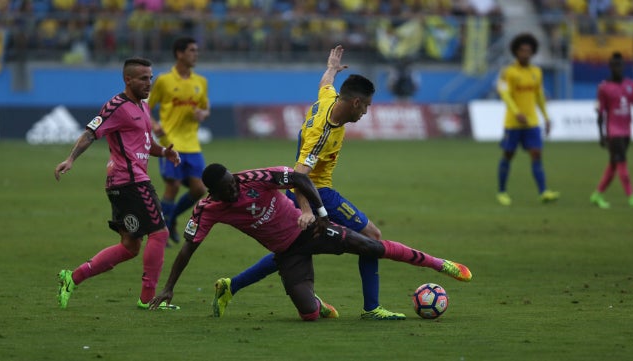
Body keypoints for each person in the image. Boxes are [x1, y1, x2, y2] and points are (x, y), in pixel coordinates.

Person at [213, 45, 406, 320]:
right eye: (366, 106)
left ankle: (232, 286)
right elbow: (298, 176)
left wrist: (331, 68)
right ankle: (372, 308)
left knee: (292, 249)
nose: (366, 113)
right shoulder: (322, 134)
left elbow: (325, 84)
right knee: (372, 237)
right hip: (317, 192)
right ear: (355, 103)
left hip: (308, 190)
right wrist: (306, 210)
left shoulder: (330, 99)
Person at [149, 163, 472, 321]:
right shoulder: (207, 209)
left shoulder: (255, 179)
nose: (235, 190)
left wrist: (318, 214)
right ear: (214, 193)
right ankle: (315, 301)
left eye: (234, 183)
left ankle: (440, 264)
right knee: (309, 316)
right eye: (228, 190)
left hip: (311, 232)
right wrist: (169, 286)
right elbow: (189, 247)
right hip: (287, 252)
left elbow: (301, 178)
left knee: (371, 246)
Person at [54, 57, 182, 310]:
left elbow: (145, 144)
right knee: (160, 233)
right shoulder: (116, 105)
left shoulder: (143, 107)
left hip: (123, 184)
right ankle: (148, 299)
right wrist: (70, 159)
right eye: (144, 78)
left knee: (130, 246)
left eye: (151, 77)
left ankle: (73, 277)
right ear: (128, 80)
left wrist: (164, 152)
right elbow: (91, 132)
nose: (149, 83)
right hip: (130, 181)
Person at [148, 36, 210, 245]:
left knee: (199, 189)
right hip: (169, 141)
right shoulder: (164, 81)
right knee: (172, 185)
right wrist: (153, 124)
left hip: (192, 144)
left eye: (197, 50)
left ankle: (171, 219)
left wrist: (202, 113)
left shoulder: (200, 82)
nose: (196, 54)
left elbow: (205, 108)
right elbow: (145, 107)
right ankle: (161, 229)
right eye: (192, 50)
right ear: (179, 53)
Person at [495, 33, 560, 206]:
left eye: (529, 51)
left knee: (537, 154)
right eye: (523, 51)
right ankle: (502, 192)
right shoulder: (508, 72)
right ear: (516, 52)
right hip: (513, 123)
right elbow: (504, 93)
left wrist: (546, 117)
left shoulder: (536, 72)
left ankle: (543, 191)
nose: (526, 54)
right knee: (508, 155)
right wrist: (516, 112)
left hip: (532, 122)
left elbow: (539, 95)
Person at [589, 52, 633, 209]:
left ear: (623, 66)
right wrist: (601, 135)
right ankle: (631, 197)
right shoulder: (604, 87)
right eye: (615, 65)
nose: (618, 68)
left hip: (626, 131)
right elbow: (600, 113)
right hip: (614, 131)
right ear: (611, 67)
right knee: (622, 163)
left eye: (620, 65)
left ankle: (597, 195)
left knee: (613, 165)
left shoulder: (631, 85)